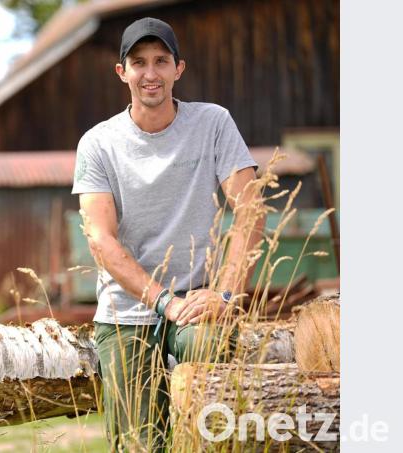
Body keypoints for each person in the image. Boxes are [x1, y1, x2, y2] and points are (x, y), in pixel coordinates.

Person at [71, 17, 266, 452]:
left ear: (179, 68)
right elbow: (100, 239)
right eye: (139, 62)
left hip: (200, 304)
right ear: (121, 72)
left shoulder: (213, 123)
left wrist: (227, 294)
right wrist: (163, 301)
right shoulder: (98, 144)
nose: (151, 73)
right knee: (138, 445)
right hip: (127, 312)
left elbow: (251, 211)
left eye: (161, 61)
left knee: (213, 429)